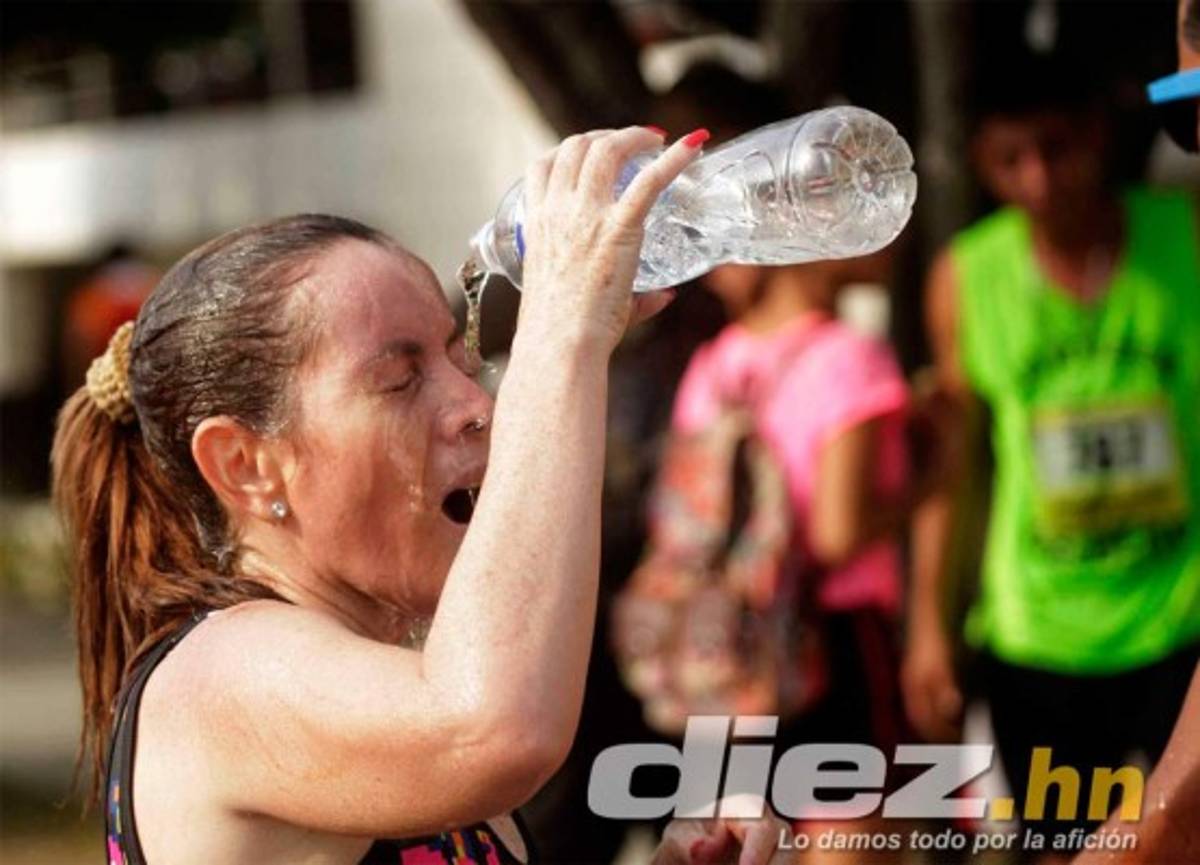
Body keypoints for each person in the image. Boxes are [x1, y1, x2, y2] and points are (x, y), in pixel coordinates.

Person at [52, 127, 789, 865]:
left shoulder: (379, 686)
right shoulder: (224, 676)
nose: (476, 404)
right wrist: (561, 332)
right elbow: (496, 729)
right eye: (401, 381)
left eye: (461, 362)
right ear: (245, 465)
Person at [903, 52, 1200, 862]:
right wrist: (928, 624)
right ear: (982, 164)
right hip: (1039, 634)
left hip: (1181, 617)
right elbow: (957, 468)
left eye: (1056, 148)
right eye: (1011, 159)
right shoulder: (966, 277)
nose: (1038, 178)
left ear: (1097, 137)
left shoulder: (1186, 232)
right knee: (1060, 848)